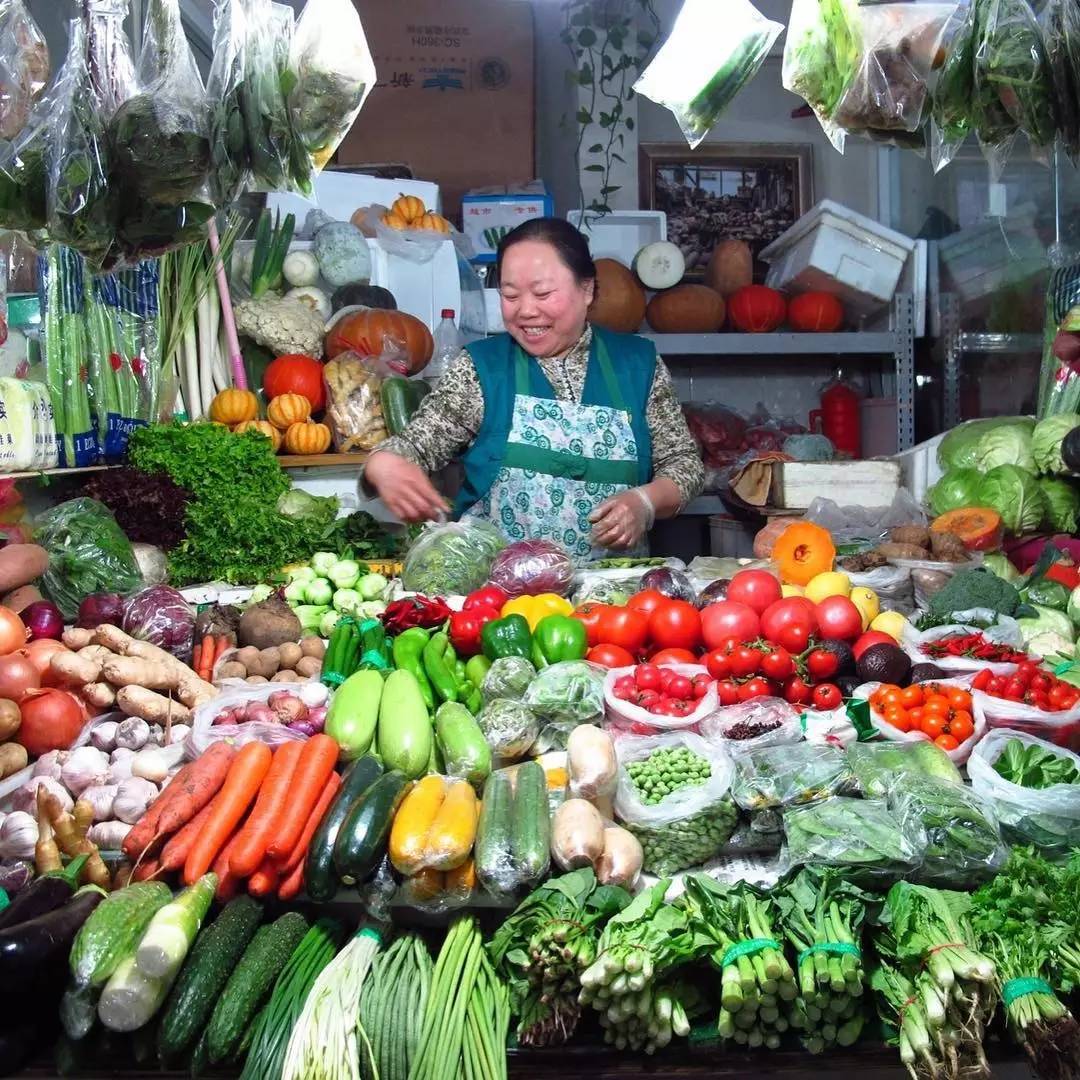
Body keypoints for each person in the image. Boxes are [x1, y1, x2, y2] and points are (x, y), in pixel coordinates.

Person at [361, 217, 705, 557]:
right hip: (500, 597)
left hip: (612, 596)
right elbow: (416, 445)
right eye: (510, 295)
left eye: (543, 293)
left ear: (586, 289)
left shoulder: (638, 364)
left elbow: (684, 464)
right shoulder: (482, 368)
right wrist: (385, 464)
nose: (526, 311)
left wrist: (644, 502)